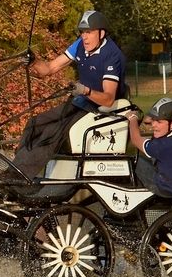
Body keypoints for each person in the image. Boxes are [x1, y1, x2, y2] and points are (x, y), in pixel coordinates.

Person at [13, 10, 127, 178]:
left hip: (99, 109)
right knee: (35, 124)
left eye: (89, 32)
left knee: (52, 132)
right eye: (82, 32)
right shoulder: (79, 45)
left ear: (102, 33)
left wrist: (85, 90)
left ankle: (20, 178)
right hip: (80, 102)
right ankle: (15, 169)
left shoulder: (112, 55)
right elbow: (50, 68)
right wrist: (34, 61)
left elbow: (109, 99)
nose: (84, 37)